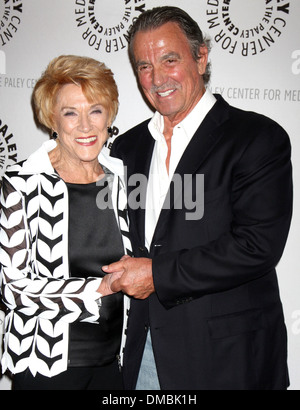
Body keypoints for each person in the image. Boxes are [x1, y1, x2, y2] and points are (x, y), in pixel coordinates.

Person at [103, 7, 293, 390]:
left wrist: (157, 275)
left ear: (201, 57)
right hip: (144, 358)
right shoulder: (125, 148)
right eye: (144, 66)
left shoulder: (257, 138)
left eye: (169, 60)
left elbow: (257, 247)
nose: (157, 79)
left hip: (229, 361)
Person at [0, 55, 132, 390]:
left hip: (112, 366)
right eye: (71, 112)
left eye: (96, 110)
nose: (85, 125)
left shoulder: (124, 179)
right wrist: (100, 288)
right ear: (52, 120)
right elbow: (14, 289)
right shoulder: (21, 184)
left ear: (109, 115)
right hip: (46, 368)